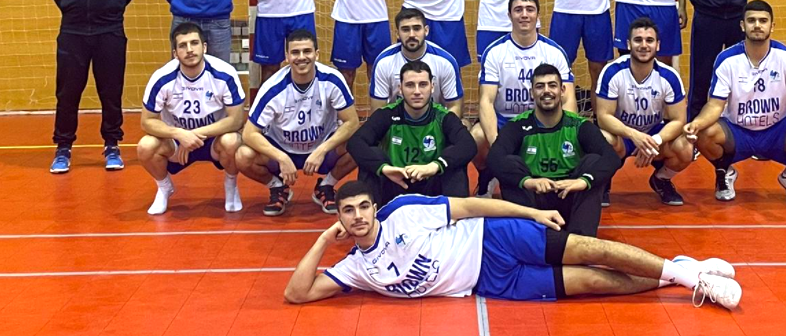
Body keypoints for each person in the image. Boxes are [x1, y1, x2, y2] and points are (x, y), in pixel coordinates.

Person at [283, 180, 742, 310]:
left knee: (591, 249)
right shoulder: (356, 269)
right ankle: (681, 269)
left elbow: (470, 205)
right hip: (493, 283)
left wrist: (531, 213)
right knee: (595, 284)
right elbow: (297, 293)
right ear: (340, 217)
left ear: (373, 206)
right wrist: (323, 239)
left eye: (363, 207)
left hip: (494, 238)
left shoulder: (402, 211)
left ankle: (693, 279)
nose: (359, 216)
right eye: (348, 212)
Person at [684, 0, 786, 204]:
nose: (757, 25)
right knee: (703, 131)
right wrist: (697, 123)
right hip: (738, 132)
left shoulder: (785, 57)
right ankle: (724, 172)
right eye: (752, 20)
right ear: (742, 25)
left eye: (763, 21)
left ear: (772, 26)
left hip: (777, 132)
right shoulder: (727, 59)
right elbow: (715, 105)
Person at [47, 0, 139, 173]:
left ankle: (112, 145)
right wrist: (72, 8)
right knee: (68, 92)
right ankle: (63, 148)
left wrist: (110, 7)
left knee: (111, 91)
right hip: (72, 31)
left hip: (109, 30)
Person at [236, 29, 361, 215]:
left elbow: (352, 122)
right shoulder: (272, 88)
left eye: (307, 51)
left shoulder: (332, 80)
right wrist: (281, 157)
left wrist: (322, 150)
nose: (301, 57)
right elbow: (249, 133)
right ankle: (278, 187)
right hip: (282, 148)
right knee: (242, 156)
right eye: (295, 52)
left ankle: (326, 186)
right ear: (287, 57)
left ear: (317, 54)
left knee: (361, 145)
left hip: (322, 147)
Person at [487, 64, 619, 236]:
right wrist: (528, 181)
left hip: (569, 196)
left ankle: (581, 239)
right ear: (532, 92)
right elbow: (494, 158)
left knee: (593, 162)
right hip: (534, 200)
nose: (546, 91)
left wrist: (583, 181)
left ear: (562, 90)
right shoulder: (517, 126)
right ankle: (527, 235)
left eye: (552, 85)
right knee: (511, 163)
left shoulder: (578, 125)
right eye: (540, 86)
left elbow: (611, 158)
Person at [473, 0, 575, 197]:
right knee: (476, 136)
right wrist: (498, 147)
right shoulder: (495, 52)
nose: (524, 15)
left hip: (541, 121)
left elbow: (569, 99)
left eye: (530, 10)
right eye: (518, 10)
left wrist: (564, 134)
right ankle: (487, 174)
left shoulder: (554, 52)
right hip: (505, 121)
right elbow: (486, 101)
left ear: (538, 15)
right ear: (509, 15)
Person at [137, 22, 246, 215]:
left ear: (204, 47)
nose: (189, 50)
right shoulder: (162, 78)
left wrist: (193, 134)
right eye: (183, 45)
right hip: (177, 143)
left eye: (194, 43)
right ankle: (164, 188)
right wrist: (179, 134)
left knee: (233, 141)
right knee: (145, 146)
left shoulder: (224, 73)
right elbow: (147, 121)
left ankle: (231, 186)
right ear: (175, 53)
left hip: (214, 140)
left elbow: (236, 120)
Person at [348, 60, 477, 205]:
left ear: (432, 87)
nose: (417, 91)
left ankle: (455, 217)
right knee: (371, 161)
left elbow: (468, 145)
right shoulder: (387, 114)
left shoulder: (443, 117)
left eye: (423, 85)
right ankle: (373, 214)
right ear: (400, 89)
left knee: (455, 165)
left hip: (431, 184)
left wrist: (435, 166)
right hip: (395, 183)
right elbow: (355, 143)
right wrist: (385, 169)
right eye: (410, 85)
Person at [596, 18, 694, 207]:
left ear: (658, 45)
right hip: (623, 135)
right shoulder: (612, 71)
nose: (643, 45)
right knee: (603, 139)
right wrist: (634, 135)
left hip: (653, 134)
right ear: (628, 44)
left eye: (649, 40)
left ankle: (661, 179)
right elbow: (603, 117)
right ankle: (604, 182)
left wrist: (654, 141)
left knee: (685, 147)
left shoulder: (669, 76)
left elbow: (679, 120)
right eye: (638, 40)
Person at [369, 8, 463, 117]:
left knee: (464, 124)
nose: (411, 34)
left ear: (426, 31)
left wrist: (446, 126)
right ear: (397, 34)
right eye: (405, 30)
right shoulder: (383, 62)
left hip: (436, 122)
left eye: (417, 28)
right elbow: (378, 109)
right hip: (397, 123)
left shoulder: (445, 62)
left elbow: (454, 106)